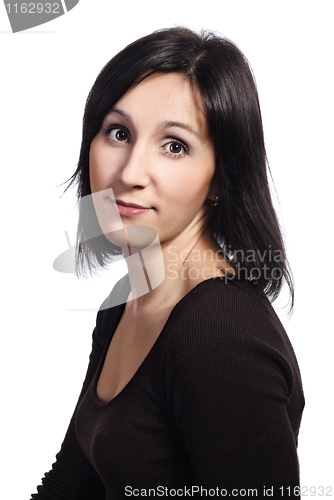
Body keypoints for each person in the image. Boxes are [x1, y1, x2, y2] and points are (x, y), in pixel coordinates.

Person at [31, 27, 304, 499]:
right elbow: (71, 486)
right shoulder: (120, 312)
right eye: (118, 133)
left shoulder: (222, 330)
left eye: (174, 145)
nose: (130, 174)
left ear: (220, 178)